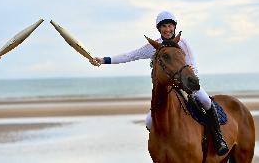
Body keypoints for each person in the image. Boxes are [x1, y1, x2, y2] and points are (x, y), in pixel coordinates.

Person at [89, 10, 229, 156]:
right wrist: (104, 60)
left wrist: (193, 76)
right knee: (149, 121)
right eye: (164, 27)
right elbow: (130, 55)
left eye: (170, 26)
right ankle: (162, 144)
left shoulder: (183, 43)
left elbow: (192, 63)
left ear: (174, 27)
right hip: (168, 88)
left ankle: (219, 139)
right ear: (159, 29)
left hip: (187, 82)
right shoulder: (154, 45)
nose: (167, 30)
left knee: (206, 100)